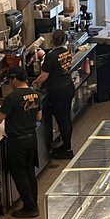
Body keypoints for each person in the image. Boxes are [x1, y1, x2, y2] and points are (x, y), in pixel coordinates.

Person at [0, 67, 42, 218]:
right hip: (31, 138)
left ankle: (30, 208)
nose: (10, 83)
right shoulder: (36, 94)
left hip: (17, 142)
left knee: (19, 174)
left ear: (15, 79)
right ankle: (33, 202)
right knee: (30, 171)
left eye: (10, 80)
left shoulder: (12, 98)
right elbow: (38, 117)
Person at [34, 29, 75, 160]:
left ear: (52, 41)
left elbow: (44, 76)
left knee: (62, 121)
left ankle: (67, 150)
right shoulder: (67, 52)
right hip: (68, 87)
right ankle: (66, 146)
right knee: (66, 119)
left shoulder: (51, 56)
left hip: (58, 91)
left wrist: (33, 83)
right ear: (64, 40)